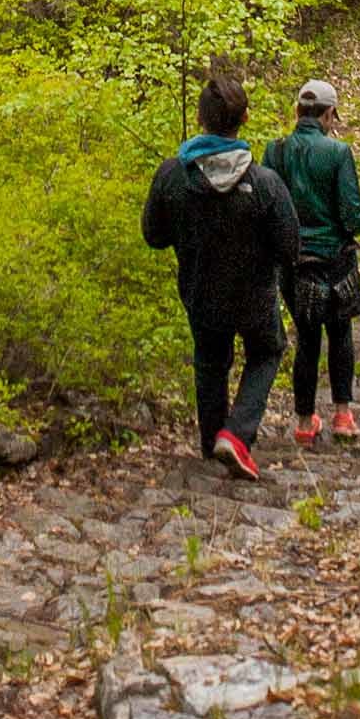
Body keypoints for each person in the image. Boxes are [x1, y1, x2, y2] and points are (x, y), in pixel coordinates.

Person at [142, 65, 299, 482]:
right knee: (266, 351)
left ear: (200, 119)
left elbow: (153, 236)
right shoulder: (265, 183)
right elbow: (289, 249)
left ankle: (213, 440)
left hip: (199, 291)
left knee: (210, 360)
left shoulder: (172, 175)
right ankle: (237, 433)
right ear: (244, 118)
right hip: (255, 295)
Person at [265, 78, 360, 447]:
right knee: (340, 332)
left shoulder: (273, 152)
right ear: (328, 114)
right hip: (334, 260)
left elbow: (268, 209)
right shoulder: (338, 153)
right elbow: (354, 215)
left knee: (307, 338)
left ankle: (305, 421)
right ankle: (342, 414)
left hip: (293, 263)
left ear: (297, 112)